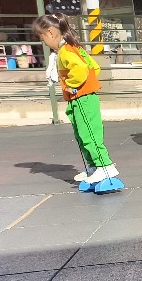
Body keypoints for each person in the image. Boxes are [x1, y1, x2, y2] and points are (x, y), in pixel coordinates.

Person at [33, 12, 118, 185]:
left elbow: (81, 69)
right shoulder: (73, 47)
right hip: (80, 98)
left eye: (42, 37)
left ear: (50, 32)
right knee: (82, 134)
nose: (43, 42)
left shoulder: (66, 51)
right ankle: (94, 167)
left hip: (82, 97)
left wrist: (71, 84)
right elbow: (94, 66)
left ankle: (105, 166)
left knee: (89, 134)